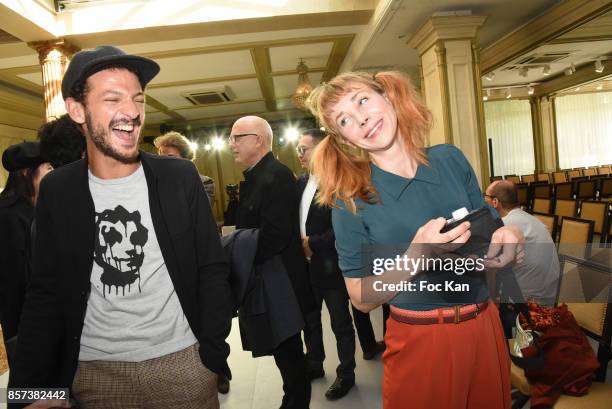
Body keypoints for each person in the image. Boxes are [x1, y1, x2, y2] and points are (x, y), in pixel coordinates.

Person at [8, 45, 233, 409]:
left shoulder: (179, 177)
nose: (132, 112)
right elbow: (44, 294)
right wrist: (26, 396)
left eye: (138, 99)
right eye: (113, 99)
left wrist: (210, 352)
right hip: (95, 373)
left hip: (184, 365)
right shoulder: (58, 190)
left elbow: (212, 267)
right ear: (77, 110)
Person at [307, 71, 523, 409]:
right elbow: (361, 298)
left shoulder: (450, 159)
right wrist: (417, 254)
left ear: (389, 96)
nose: (361, 118)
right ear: (345, 139)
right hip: (422, 338)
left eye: (362, 100)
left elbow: (492, 228)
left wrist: (510, 234)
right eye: (345, 119)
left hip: (485, 323)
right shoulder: (349, 201)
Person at [230, 115, 315, 409]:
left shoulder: (275, 175)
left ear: (259, 140)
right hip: (269, 275)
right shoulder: (257, 175)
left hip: (281, 281)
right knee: (284, 351)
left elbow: (275, 236)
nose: (232, 145)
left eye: (237, 137)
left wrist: (236, 251)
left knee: (289, 350)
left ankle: (296, 403)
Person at [296, 129, 356, 400]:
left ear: (321, 149)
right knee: (309, 320)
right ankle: (315, 364)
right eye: (298, 149)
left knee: (340, 322)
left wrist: (313, 243)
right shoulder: (300, 183)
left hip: (330, 265)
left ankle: (346, 374)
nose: (299, 154)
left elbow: (345, 229)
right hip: (305, 266)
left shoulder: (339, 182)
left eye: (304, 149)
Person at [0, 142, 52, 349]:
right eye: (48, 168)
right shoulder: (7, 214)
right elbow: (16, 279)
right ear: (26, 172)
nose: (52, 174)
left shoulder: (38, 206)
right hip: (25, 317)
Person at [154, 131, 216, 207]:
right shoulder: (157, 183)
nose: (164, 162)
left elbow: (201, 209)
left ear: (185, 159)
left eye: (170, 157)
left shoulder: (205, 182)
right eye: (161, 158)